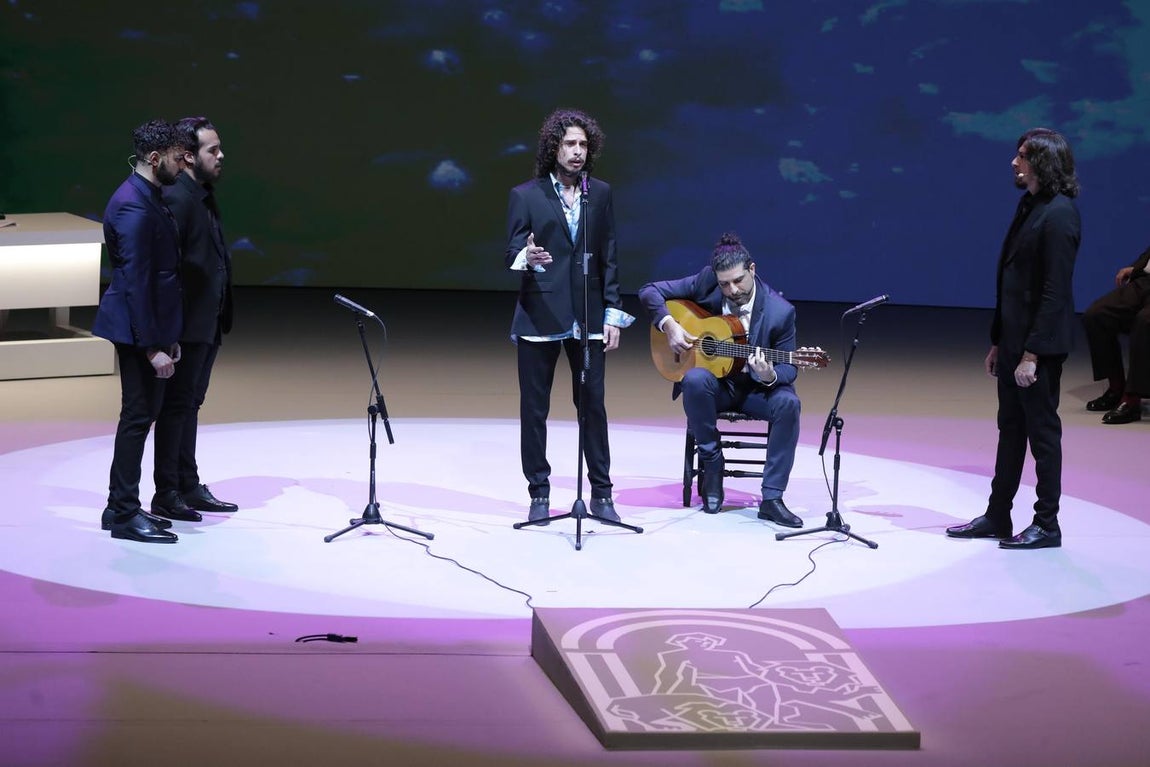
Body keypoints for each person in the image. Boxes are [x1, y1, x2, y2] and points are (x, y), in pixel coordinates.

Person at [947, 127, 1081, 550]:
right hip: (1013, 344)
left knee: (1042, 436)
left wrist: (1032, 354)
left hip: (1035, 349)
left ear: (1042, 162)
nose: (1014, 161)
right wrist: (998, 342)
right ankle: (998, 515)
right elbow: (1013, 283)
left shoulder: (1059, 215)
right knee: (1010, 430)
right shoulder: (1030, 205)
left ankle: (1047, 524)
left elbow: (1053, 292)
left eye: (1022, 155)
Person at [505, 107, 634, 525]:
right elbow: (511, 252)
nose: (577, 152)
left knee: (592, 406)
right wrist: (529, 257)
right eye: (569, 144)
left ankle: (601, 493)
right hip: (540, 313)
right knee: (535, 408)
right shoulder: (526, 195)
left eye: (583, 144)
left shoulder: (601, 193)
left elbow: (609, 255)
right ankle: (539, 492)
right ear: (554, 148)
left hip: (589, 314)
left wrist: (613, 312)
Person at [638, 232, 803, 527]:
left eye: (738, 280)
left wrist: (770, 374)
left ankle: (772, 498)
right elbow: (649, 290)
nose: (732, 289)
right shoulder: (707, 281)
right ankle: (712, 462)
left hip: (757, 389)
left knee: (789, 403)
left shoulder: (781, 312)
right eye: (724, 283)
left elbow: (790, 369)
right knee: (695, 379)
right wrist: (670, 325)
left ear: (752, 269)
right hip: (720, 386)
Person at [92, 119, 185, 544]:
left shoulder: (148, 196)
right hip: (136, 331)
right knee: (136, 417)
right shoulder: (132, 204)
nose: (183, 165)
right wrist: (152, 348)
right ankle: (125, 511)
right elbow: (136, 280)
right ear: (154, 157)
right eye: (176, 158)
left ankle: (121, 507)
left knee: (143, 415)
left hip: (150, 327)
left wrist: (168, 337)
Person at [152, 116, 238, 521]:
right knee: (177, 407)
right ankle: (168, 491)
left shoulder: (200, 194)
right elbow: (169, 270)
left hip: (207, 321)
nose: (221, 156)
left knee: (190, 405)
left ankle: (187, 483)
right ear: (188, 156)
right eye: (212, 150)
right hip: (185, 325)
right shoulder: (178, 199)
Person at [1080, 246, 1150, 424]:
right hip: (1145, 282)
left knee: (1144, 323)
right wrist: (1136, 267)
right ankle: (1116, 387)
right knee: (1097, 315)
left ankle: (1132, 399)